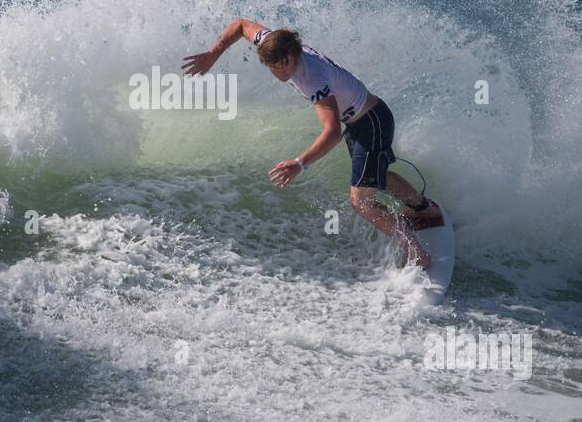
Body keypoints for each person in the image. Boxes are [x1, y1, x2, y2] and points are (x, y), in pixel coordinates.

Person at [184, 19, 439, 269]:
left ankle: (417, 254)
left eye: (283, 65)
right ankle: (424, 209)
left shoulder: (313, 77)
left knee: (360, 201)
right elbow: (241, 25)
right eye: (272, 67)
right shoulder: (273, 41)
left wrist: (299, 164)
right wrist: (213, 54)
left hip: (370, 123)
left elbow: (332, 133)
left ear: (292, 55)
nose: (279, 72)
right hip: (366, 117)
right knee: (376, 176)